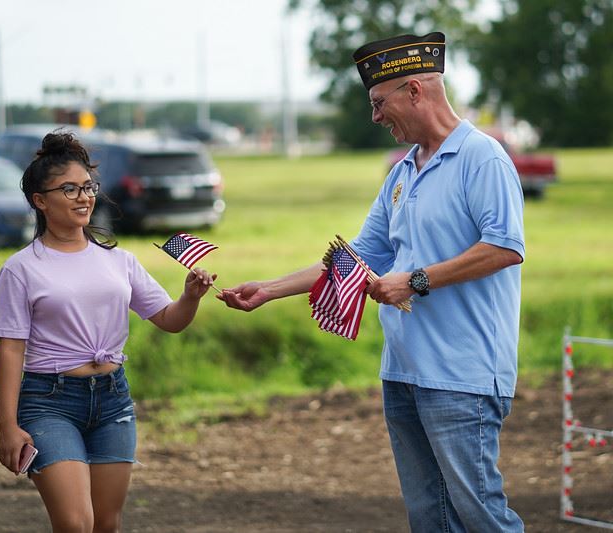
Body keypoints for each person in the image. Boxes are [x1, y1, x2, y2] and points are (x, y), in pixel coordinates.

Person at [218, 32, 525, 532]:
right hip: (404, 371)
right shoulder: (403, 171)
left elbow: (506, 247)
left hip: (462, 375)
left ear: (415, 91)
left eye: (380, 103)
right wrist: (269, 289)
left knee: (479, 514)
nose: (376, 116)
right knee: (430, 516)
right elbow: (359, 257)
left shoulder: (482, 158)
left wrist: (416, 280)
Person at [0, 131, 216, 533]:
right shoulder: (21, 268)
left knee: (106, 523)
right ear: (40, 200)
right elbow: (9, 352)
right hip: (48, 402)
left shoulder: (119, 260)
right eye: (68, 189)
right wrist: (9, 426)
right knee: (76, 523)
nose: (83, 197)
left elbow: (169, 319)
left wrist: (191, 297)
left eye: (88, 187)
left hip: (113, 401)